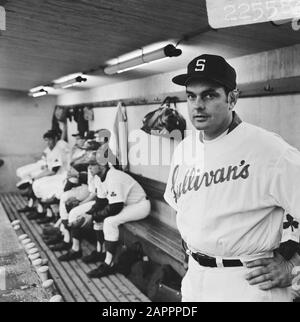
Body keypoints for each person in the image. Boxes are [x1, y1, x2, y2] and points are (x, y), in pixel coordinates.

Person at [164, 54, 300, 302]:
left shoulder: (270, 150)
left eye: (209, 95)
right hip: (196, 277)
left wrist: (292, 265)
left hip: (247, 281)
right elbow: (180, 207)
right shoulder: (184, 149)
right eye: (191, 96)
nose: (197, 105)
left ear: (232, 99)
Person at [85, 147, 151, 278]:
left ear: (102, 164)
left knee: (109, 221)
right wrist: (88, 214)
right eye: (89, 164)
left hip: (140, 205)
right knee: (100, 218)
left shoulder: (114, 177)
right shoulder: (99, 177)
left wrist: (93, 216)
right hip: (127, 205)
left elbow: (115, 207)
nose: (89, 168)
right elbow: (100, 202)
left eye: (92, 164)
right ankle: (101, 252)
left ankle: (108, 263)